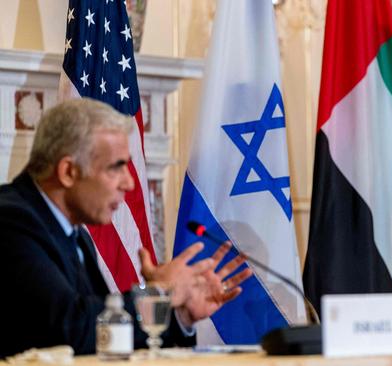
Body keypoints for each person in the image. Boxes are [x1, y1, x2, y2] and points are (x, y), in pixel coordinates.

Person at [0, 98, 253, 357]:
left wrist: (179, 315)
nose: (130, 183)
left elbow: (100, 339)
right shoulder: (9, 220)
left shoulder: (73, 232)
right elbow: (67, 330)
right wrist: (160, 291)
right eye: (117, 167)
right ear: (68, 172)